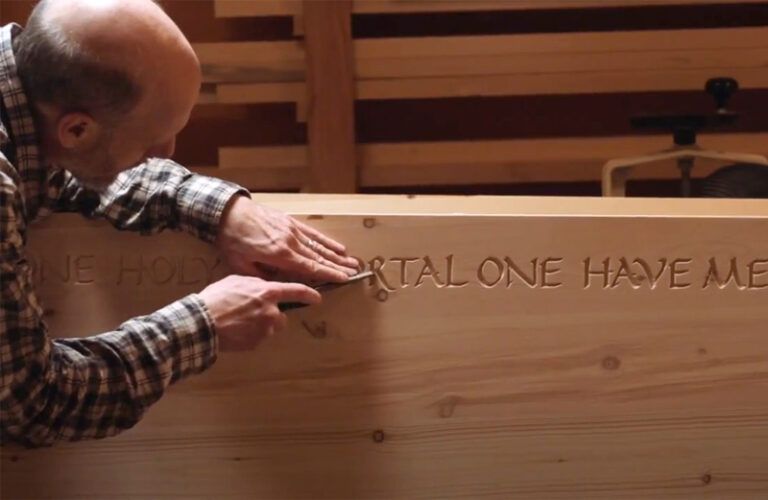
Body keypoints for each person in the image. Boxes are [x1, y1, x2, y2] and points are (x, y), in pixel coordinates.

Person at [0, 0, 359, 447]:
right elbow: (32, 404)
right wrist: (202, 324)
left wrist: (221, 211)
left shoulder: (28, 98)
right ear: (76, 129)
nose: (169, 152)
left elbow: (68, 174)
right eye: (152, 143)